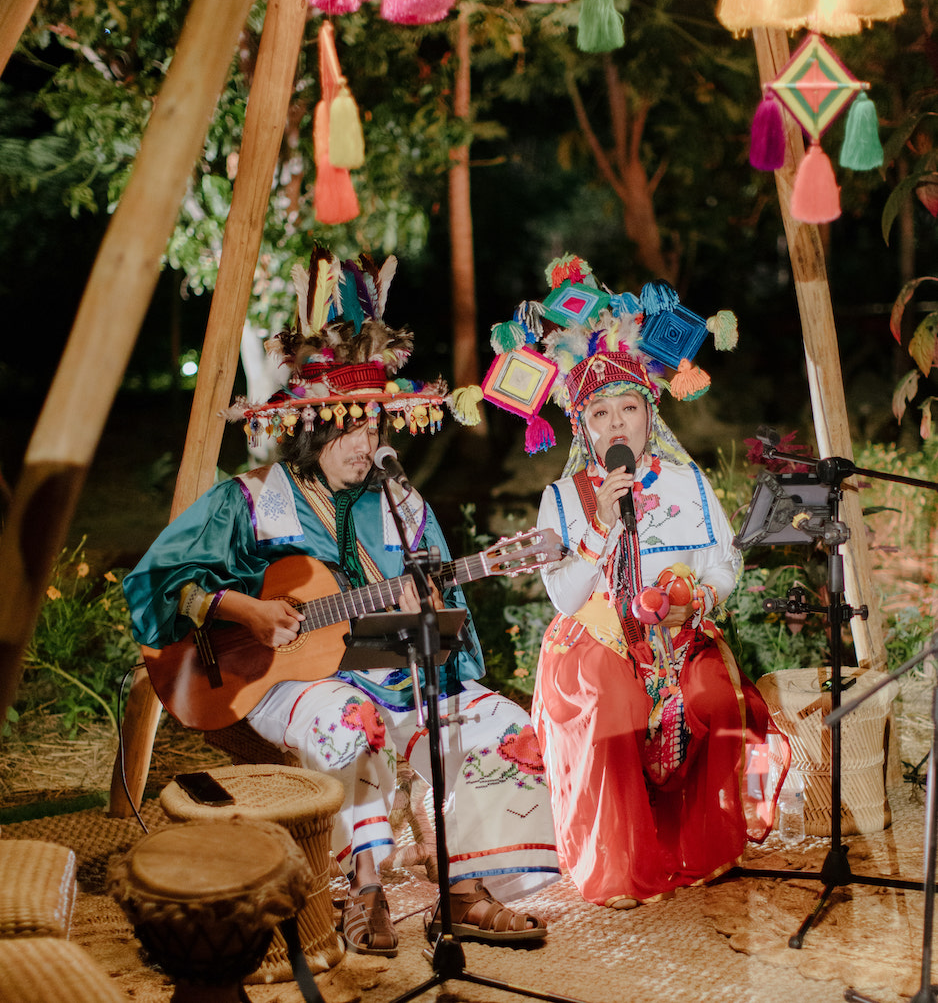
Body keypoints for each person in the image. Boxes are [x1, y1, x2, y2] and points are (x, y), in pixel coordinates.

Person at [124, 250, 560, 956]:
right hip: (290, 678)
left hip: (395, 669)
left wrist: (431, 612)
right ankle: (364, 886)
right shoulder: (253, 497)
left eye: (376, 430)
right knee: (353, 722)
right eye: (353, 429)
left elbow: (449, 626)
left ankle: (465, 887)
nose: (368, 445)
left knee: (502, 724)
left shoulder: (401, 503)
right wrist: (247, 612)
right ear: (315, 428)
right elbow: (157, 581)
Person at [481, 255, 787, 910]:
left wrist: (696, 601)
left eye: (628, 408)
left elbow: (722, 563)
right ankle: (618, 866)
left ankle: (695, 850)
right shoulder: (563, 499)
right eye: (601, 414)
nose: (616, 423)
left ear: (651, 415)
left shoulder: (687, 483)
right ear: (582, 427)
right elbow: (566, 598)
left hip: (676, 631)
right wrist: (599, 526)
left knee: (710, 695)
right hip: (594, 640)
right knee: (609, 702)